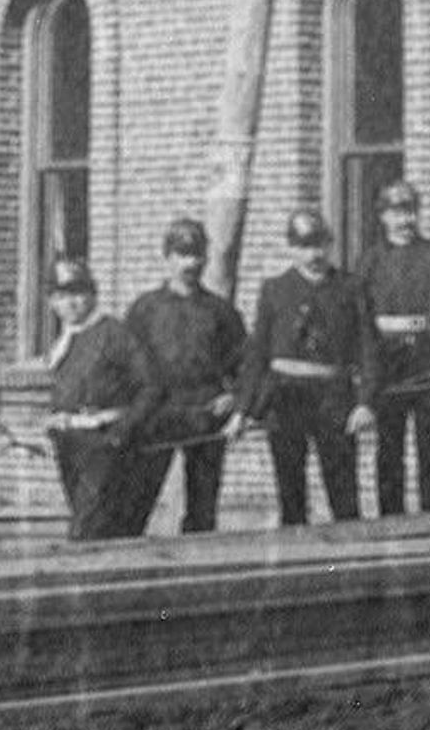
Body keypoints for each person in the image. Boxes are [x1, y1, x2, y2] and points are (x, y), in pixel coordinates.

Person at [120, 216, 249, 535]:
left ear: (205, 258)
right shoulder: (144, 309)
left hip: (204, 414)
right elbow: (125, 365)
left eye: (196, 255)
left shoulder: (221, 311)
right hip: (157, 414)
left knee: (203, 508)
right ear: (167, 258)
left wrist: (234, 398)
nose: (190, 263)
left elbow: (245, 365)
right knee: (137, 500)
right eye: (181, 255)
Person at [244, 207, 371, 527]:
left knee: (343, 488)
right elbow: (258, 353)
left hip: (333, 395)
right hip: (286, 396)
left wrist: (365, 402)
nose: (313, 254)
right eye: (304, 246)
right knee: (290, 489)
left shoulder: (351, 287)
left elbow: (369, 348)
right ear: (291, 248)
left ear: (329, 245)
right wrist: (244, 408)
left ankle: (349, 561)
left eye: (319, 245)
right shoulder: (275, 289)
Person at [354, 180, 430, 516]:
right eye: (396, 213)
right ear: (382, 216)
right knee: (389, 442)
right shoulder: (369, 261)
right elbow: (361, 315)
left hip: (429, 354)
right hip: (388, 358)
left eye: (410, 211)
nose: (405, 220)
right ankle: (391, 517)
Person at [38, 256, 157, 540]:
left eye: (79, 293)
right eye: (62, 296)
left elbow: (151, 387)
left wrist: (122, 431)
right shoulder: (62, 341)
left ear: (93, 294)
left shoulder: (115, 334)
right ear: (52, 302)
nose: (71, 303)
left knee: (87, 527)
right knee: (88, 517)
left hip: (103, 442)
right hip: (69, 442)